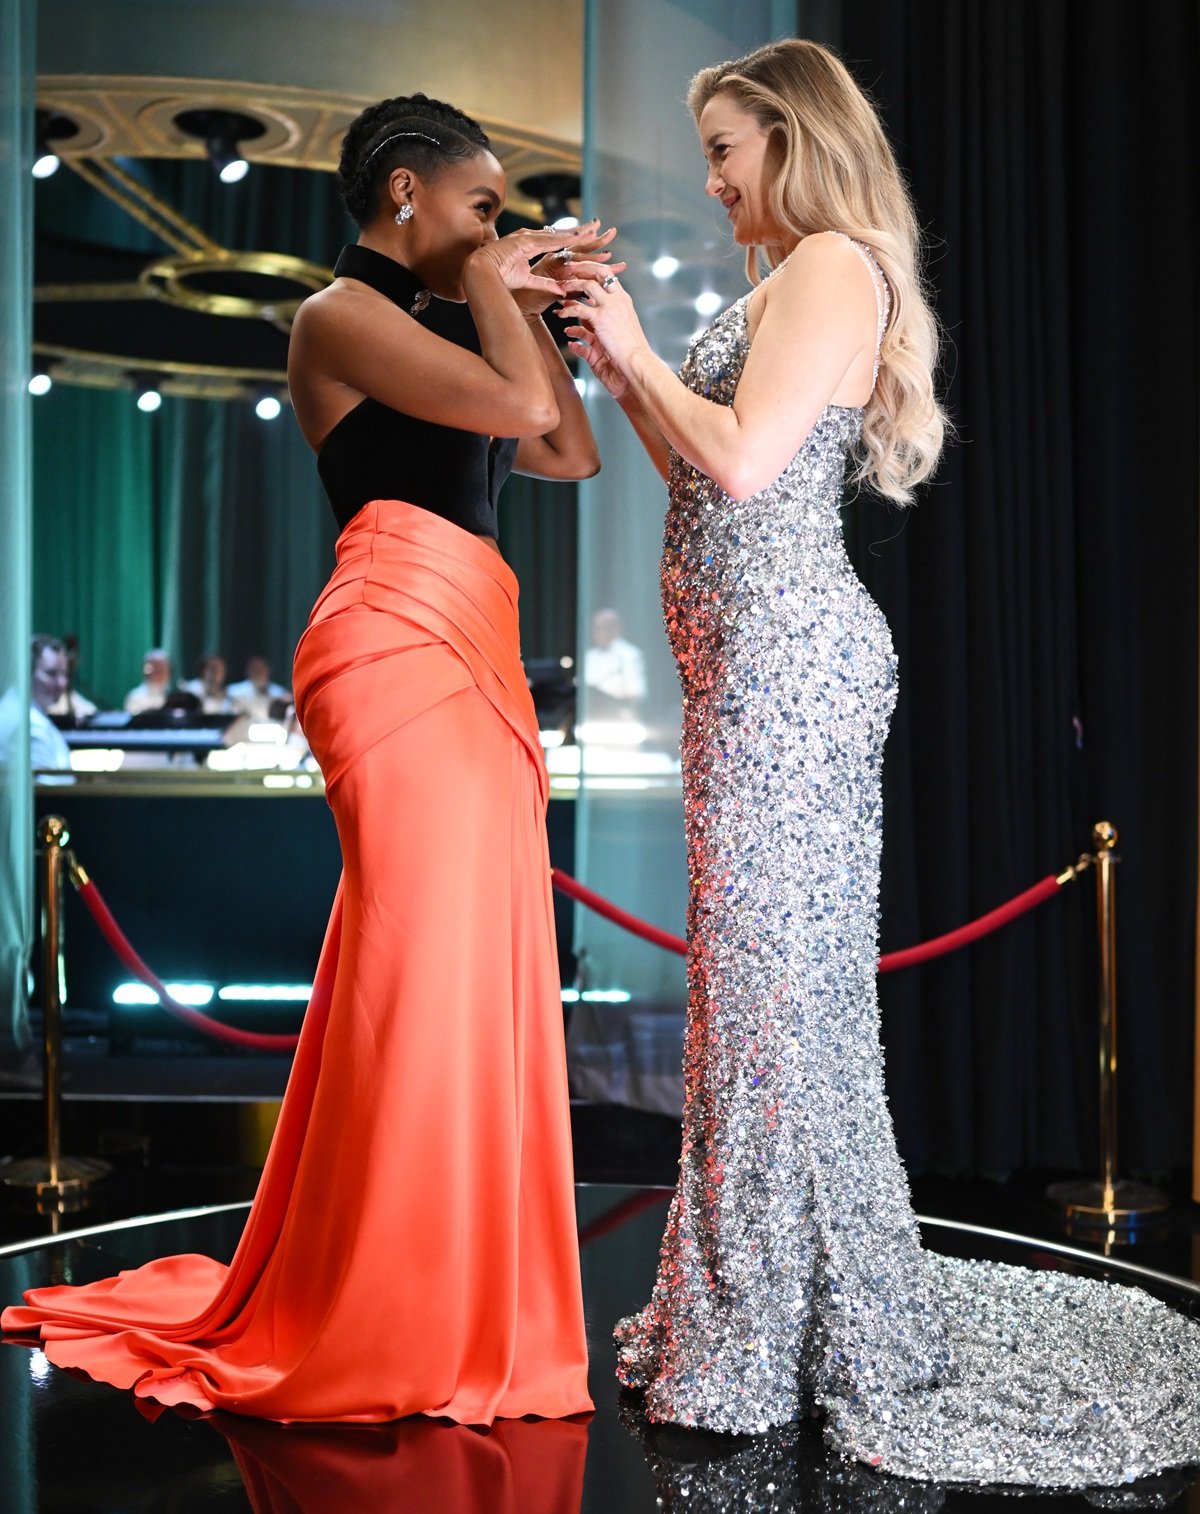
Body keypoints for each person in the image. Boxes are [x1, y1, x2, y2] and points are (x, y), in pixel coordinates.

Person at [561, 37, 1200, 1487]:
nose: (714, 179)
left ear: (794, 137)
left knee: (774, 1000)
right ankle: (770, 1311)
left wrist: (639, 341)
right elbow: (707, 462)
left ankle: (773, 1323)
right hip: (755, 674)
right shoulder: (792, 276)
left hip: (790, 677)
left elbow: (737, 462)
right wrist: (614, 352)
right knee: (765, 998)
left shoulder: (834, 265)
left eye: (727, 149)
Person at [4, 92, 613, 1426]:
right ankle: (386, 1302)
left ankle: (463, 1294)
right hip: (394, 642)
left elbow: (563, 447)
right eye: (482, 206)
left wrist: (530, 302)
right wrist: (501, 290)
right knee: (416, 972)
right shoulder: (337, 317)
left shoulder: (459, 319)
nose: (496, 229)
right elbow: (515, 404)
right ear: (406, 193)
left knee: (475, 973)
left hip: (476, 645)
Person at [583, 607, 646, 715]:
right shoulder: (589, 656)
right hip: (592, 716)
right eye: (595, 628)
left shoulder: (629, 655)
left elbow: (636, 693)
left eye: (601, 628)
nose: (597, 633)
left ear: (615, 629)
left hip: (619, 718)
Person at [226, 655, 291, 722]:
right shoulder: (234, 692)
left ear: (268, 670)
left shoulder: (280, 693)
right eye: (255, 669)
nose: (259, 672)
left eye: (261, 668)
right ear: (248, 671)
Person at [122, 648, 173, 715]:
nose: (158, 672)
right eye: (155, 667)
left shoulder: (176, 695)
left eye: (162, 668)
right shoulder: (135, 697)